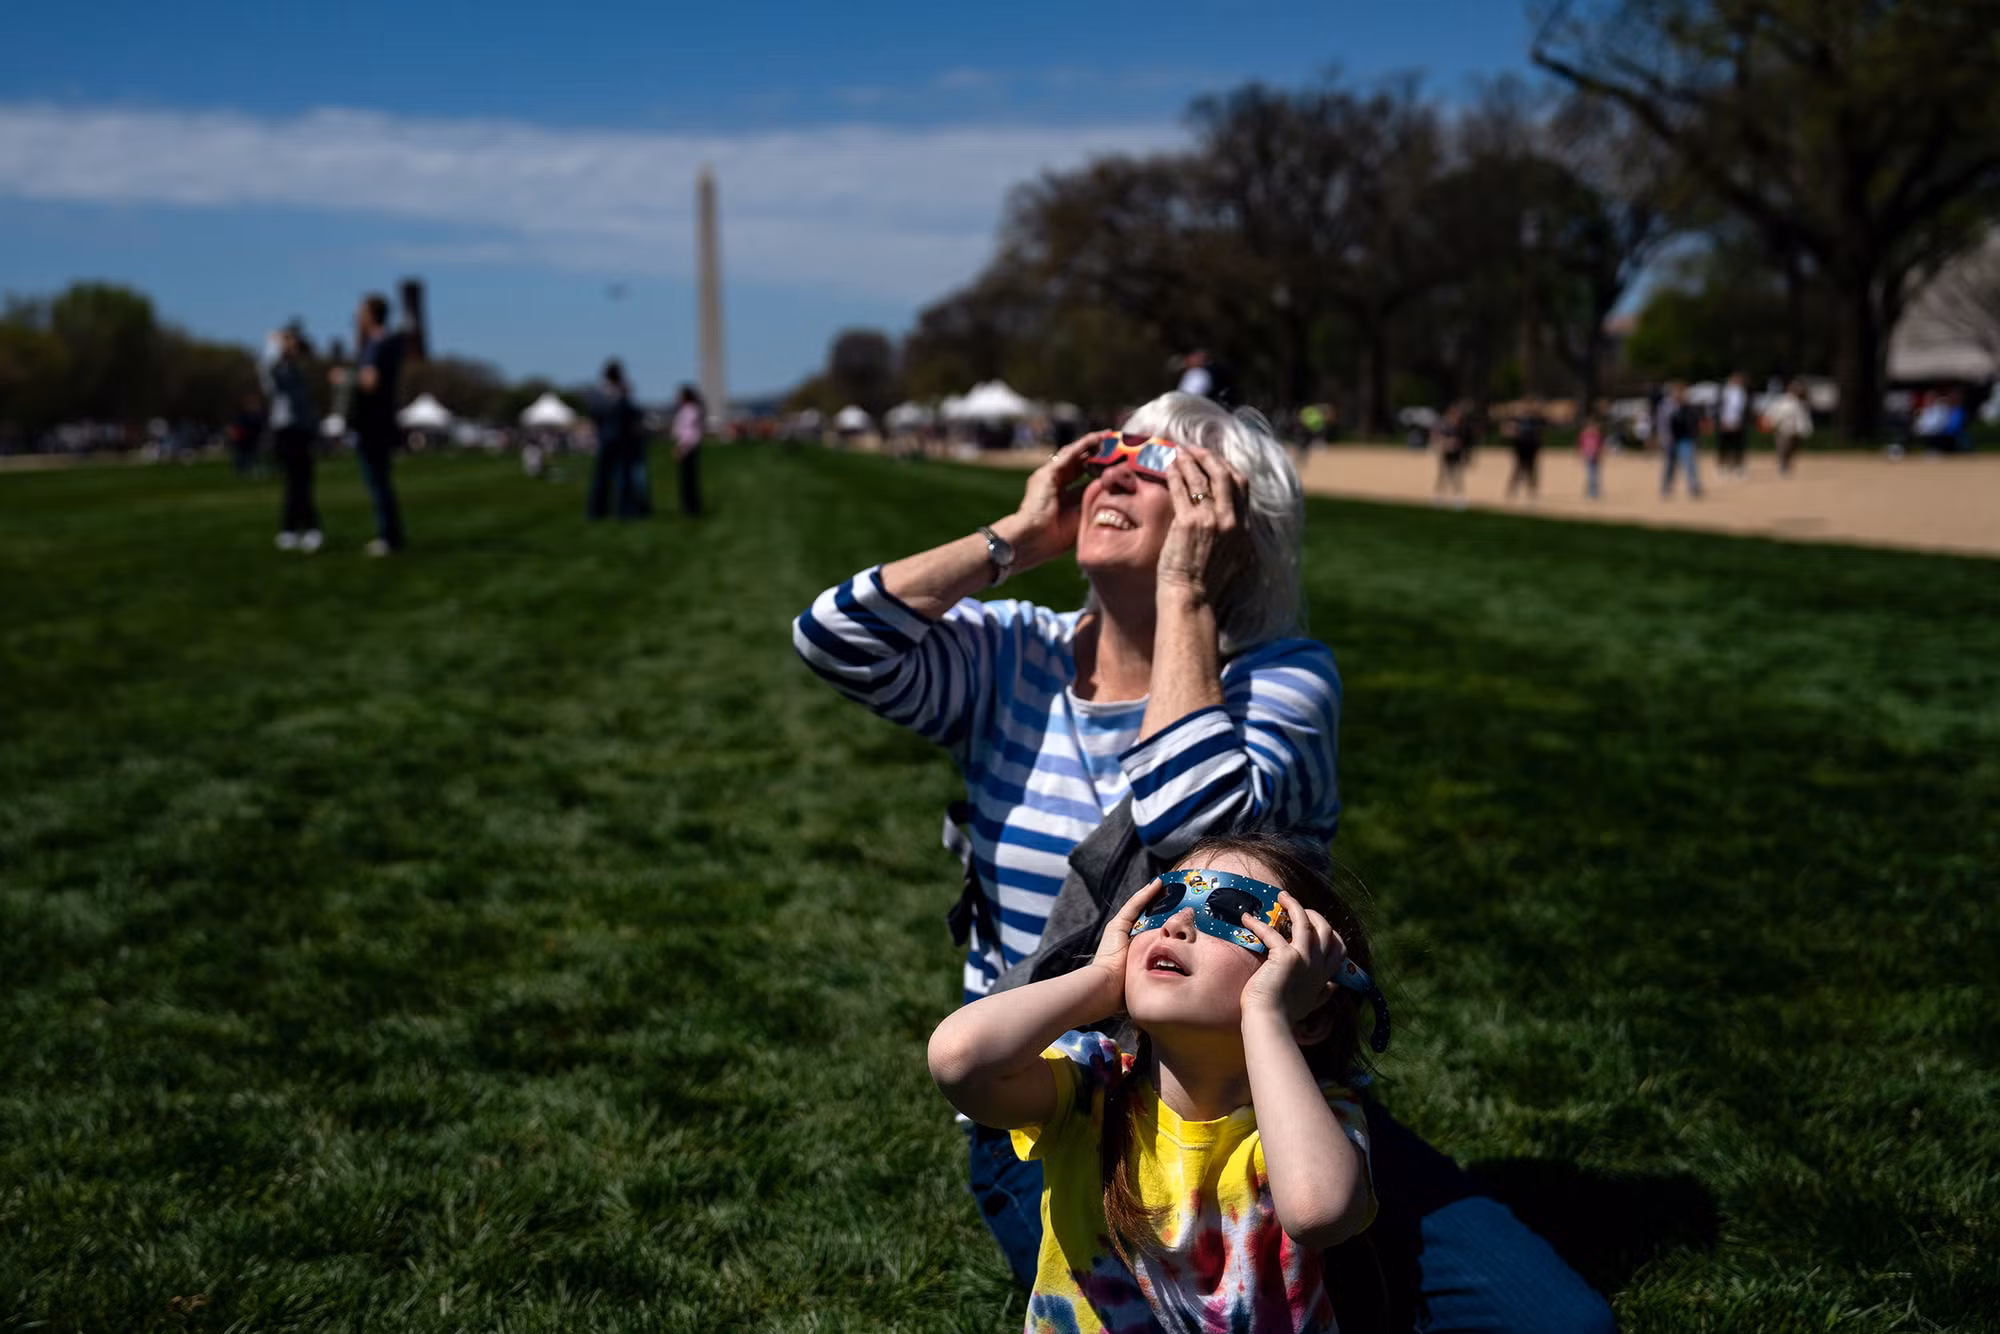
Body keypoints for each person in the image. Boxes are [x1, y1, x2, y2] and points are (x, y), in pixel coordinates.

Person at [793, 390, 1613, 1334]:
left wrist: (1184, 593)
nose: (1115, 479)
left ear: (1228, 528)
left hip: (1259, 1083)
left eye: (1159, 469)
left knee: (1556, 1324)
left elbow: (1193, 826)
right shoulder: (1014, 656)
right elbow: (835, 637)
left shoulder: (1285, 679)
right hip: (1061, 1092)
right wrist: (1017, 535)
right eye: (1106, 458)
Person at [928, 832, 1382, 1332]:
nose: (1178, 924)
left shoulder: (1318, 1119)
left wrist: (1266, 1015)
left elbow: (1318, 1212)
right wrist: (1104, 979)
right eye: (1165, 901)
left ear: (1311, 1007)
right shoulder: (1091, 1086)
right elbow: (959, 1060)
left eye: (1232, 913)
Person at [331, 293, 408, 555]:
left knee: (378, 482)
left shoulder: (376, 344)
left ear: (369, 315)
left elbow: (369, 381)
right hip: (383, 420)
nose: (355, 318)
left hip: (372, 423)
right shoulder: (388, 343)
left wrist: (343, 377)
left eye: (359, 313)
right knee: (381, 480)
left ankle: (388, 536)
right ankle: (391, 534)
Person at [260, 323, 322, 552]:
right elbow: (268, 366)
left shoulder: (295, 369)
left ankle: (293, 528)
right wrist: (276, 344)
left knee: (301, 481)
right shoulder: (277, 369)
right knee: (297, 482)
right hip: (287, 430)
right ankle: (303, 527)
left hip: (301, 429)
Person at [586, 359, 649, 520]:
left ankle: (605, 510)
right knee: (612, 477)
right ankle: (610, 510)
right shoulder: (610, 394)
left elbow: (595, 414)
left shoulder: (600, 393)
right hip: (615, 439)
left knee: (612, 477)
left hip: (611, 439)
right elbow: (627, 413)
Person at [1659, 383, 1703, 500]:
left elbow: (1693, 423)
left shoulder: (1687, 406)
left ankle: (1693, 486)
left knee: (1689, 463)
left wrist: (1696, 437)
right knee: (1670, 465)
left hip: (1685, 439)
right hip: (1671, 440)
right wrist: (1665, 439)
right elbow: (1663, 425)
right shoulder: (1666, 407)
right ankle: (1666, 487)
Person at [1763, 380, 1813, 476]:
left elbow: (1804, 418)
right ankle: (1783, 466)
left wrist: (1806, 430)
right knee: (1783, 449)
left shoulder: (1802, 403)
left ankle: (1787, 465)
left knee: (1792, 450)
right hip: (1783, 430)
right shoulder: (1782, 401)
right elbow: (1773, 412)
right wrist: (1770, 422)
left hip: (1796, 432)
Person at [672, 385, 704, 517]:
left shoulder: (689, 410)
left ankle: (689, 508)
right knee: (689, 479)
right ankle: (691, 506)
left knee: (687, 480)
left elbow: (688, 432)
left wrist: (681, 447)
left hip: (688, 447)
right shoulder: (691, 409)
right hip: (689, 446)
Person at [1503, 403, 1544, 501]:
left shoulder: (1534, 424)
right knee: (1520, 470)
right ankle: (1514, 489)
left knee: (1529, 471)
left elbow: (1538, 440)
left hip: (1530, 451)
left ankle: (1530, 490)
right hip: (1522, 451)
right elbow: (1510, 437)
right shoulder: (1518, 424)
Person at [1431, 405, 1469, 509]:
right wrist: (1447, 443)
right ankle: (1438, 497)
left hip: (1457, 455)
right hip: (1446, 454)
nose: (1457, 418)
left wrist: (1456, 444)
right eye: (1455, 415)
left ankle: (1458, 498)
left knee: (1457, 476)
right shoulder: (1445, 427)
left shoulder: (1461, 428)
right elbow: (1437, 438)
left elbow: (1463, 442)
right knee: (1443, 476)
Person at [1716, 372, 1749, 475]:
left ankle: (1738, 466)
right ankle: (1721, 466)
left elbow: (1744, 410)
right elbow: (1719, 408)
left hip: (1738, 424)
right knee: (1723, 446)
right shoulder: (1724, 392)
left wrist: (1740, 422)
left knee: (1738, 446)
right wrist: (1722, 421)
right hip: (1724, 423)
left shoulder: (1743, 393)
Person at [1578, 413, 1605, 500]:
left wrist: (1601, 454)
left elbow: (1600, 446)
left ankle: (1593, 491)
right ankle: (1592, 491)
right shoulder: (1585, 434)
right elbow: (1581, 445)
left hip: (1595, 455)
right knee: (1591, 474)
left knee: (1593, 474)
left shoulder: (1596, 434)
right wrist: (1581, 454)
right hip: (1589, 455)